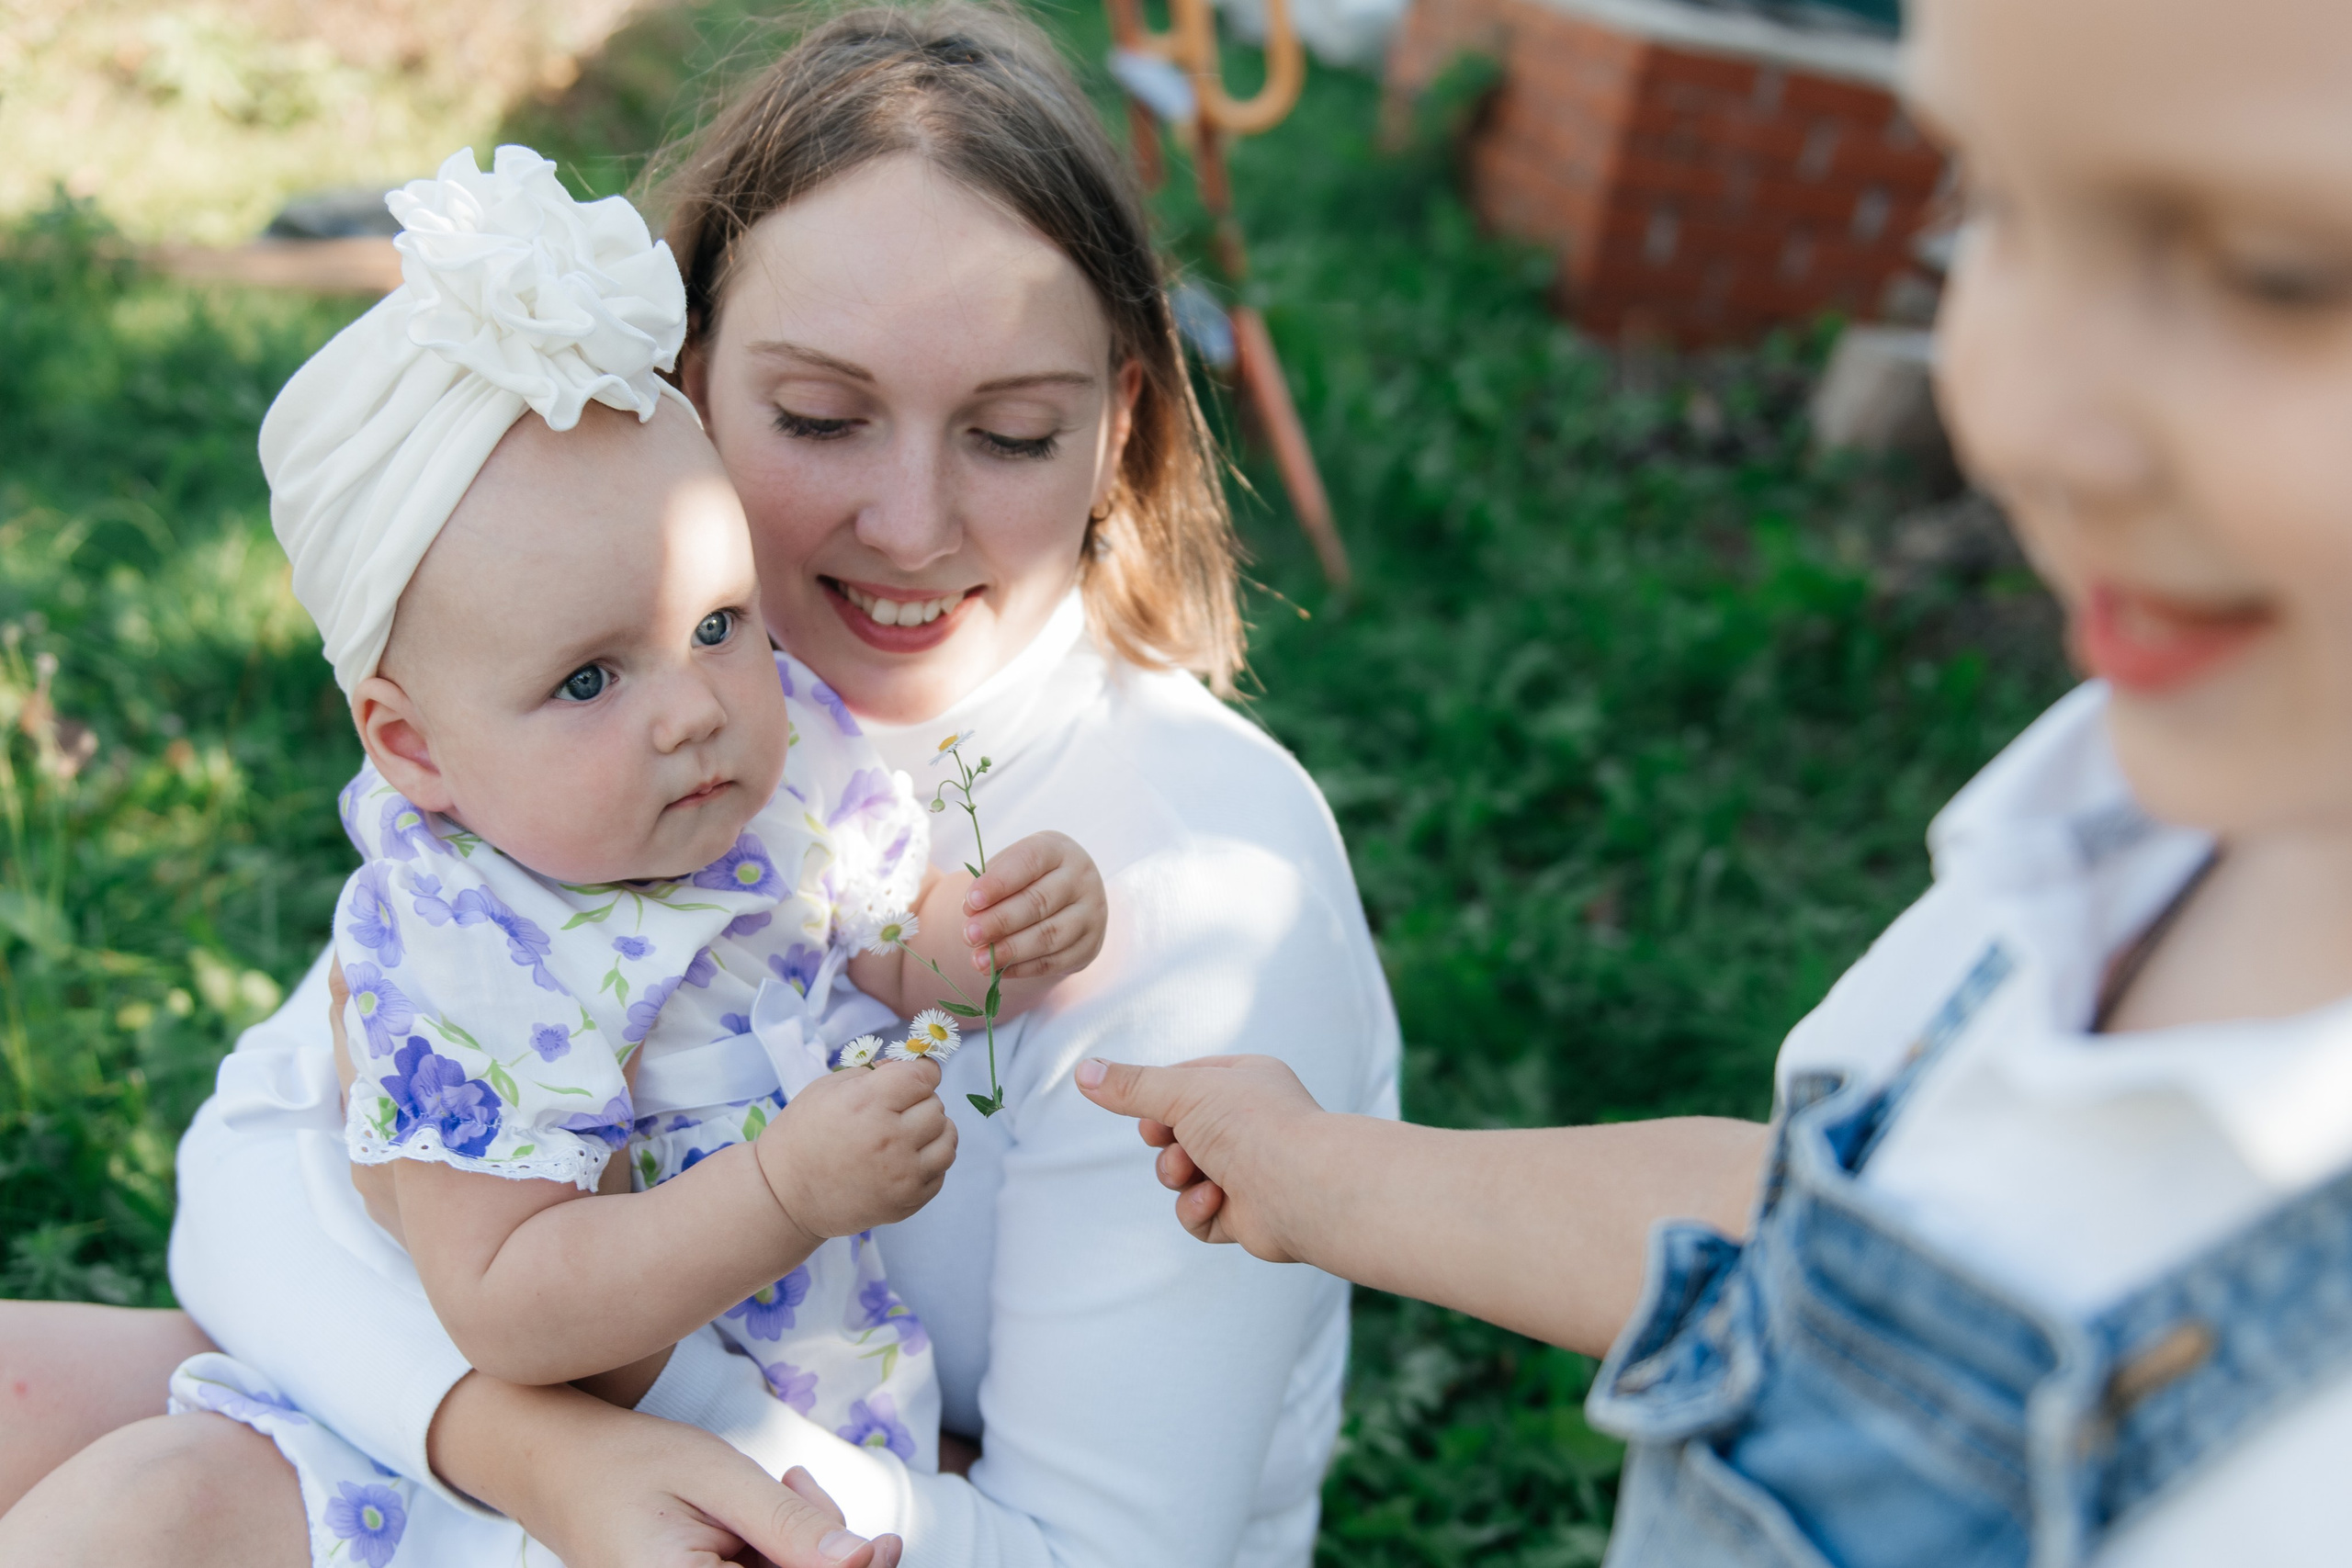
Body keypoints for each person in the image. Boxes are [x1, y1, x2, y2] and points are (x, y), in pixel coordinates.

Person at [0, 7, 1401, 1568]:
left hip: (860, 1523)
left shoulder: (1205, 884)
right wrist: (526, 1445)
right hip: (583, 1423)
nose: (912, 524)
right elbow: (248, 1176)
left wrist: (603, 1419)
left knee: (160, 1510)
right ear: (686, 381)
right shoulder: (639, 699)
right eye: (820, 418)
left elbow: (1096, 1554)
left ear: (1117, 422)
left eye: (1012, 435)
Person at [1079, 0, 2352, 1561]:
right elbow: (1824, 1240)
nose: (2023, 418)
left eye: (2277, 276)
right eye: (1995, 207)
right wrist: (1325, 1176)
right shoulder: (2122, 823)